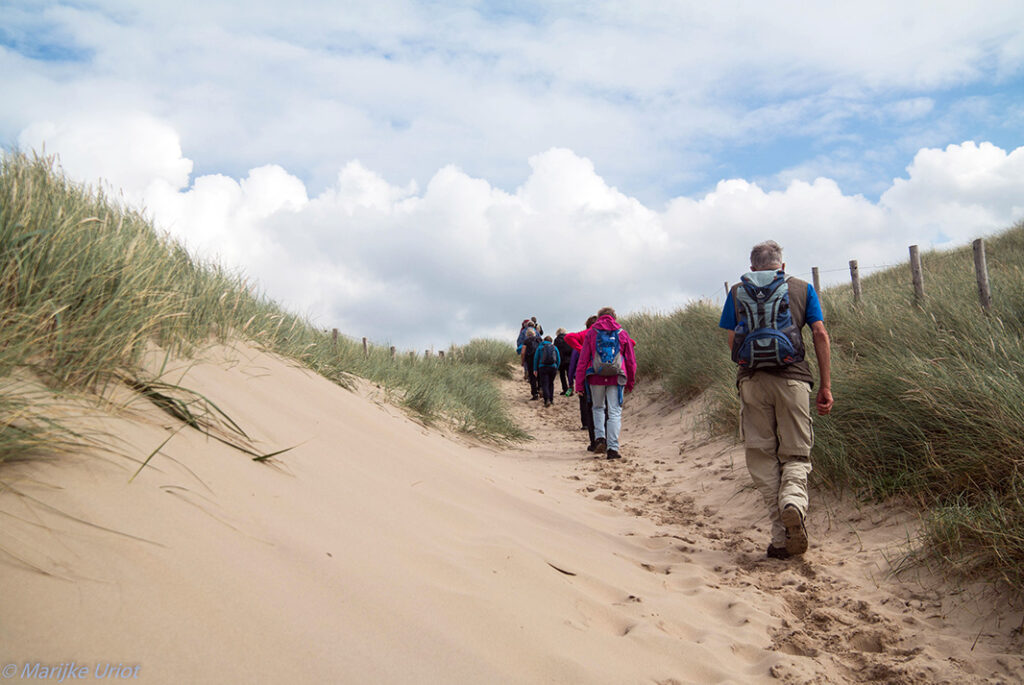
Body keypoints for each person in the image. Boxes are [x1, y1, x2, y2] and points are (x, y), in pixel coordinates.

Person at [719, 240, 833, 560]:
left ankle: (780, 538)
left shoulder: (737, 292)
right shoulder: (802, 288)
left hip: (753, 381)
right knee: (796, 454)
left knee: (762, 457)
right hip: (794, 379)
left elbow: (732, 344)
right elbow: (820, 334)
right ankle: (793, 502)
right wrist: (825, 386)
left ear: (752, 268)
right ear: (782, 266)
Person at [574, 307, 636, 460]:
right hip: (616, 376)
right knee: (614, 412)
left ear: (599, 317)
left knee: (598, 407)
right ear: (614, 317)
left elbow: (582, 361)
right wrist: (630, 382)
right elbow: (631, 361)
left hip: (595, 376)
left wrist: (579, 384)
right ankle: (613, 448)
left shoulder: (591, 333)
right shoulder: (622, 333)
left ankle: (600, 438)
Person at [566, 316, 598, 449]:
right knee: (604, 409)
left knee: (587, 406)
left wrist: (571, 383)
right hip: (607, 376)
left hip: (586, 377)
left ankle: (592, 439)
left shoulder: (584, 336)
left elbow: (574, 365)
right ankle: (606, 439)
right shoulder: (609, 335)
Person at [533, 335, 561, 407]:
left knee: (544, 384)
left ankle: (546, 400)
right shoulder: (555, 347)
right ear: (551, 341)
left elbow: (536, 359)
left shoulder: (540, 347)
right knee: (551, 383)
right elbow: (558, 359)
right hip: (553, 367)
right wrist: (556, 367)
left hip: (543, 367)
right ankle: (551, 400)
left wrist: (535, 369)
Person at [520, 328, 543, 400]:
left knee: (532, 377)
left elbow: (523, 352)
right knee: (539, 375)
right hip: (539, 359)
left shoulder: (526, 341)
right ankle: (540, 388)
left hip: (530, 360)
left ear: (527, 335)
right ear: (534, 333)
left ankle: (535, 394)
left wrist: (523, 361)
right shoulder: (539, 339)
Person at [554, 328, 574, 396]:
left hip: (561, 360)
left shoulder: (556, 340)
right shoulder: (569, 338)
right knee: (569, 375)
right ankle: (570, 390)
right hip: (569, 359)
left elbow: (555, 350)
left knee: (562, 375)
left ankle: (565, 390)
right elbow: (572, 349)